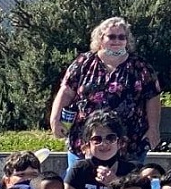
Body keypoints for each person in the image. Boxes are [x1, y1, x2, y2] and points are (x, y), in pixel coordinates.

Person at [51, 16, 161, 164]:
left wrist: (153, 128)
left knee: (126, 185)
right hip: (85, 141)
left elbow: (152, 97)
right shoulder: (83, 62)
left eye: (122, 37)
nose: (117, 41)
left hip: (128, 143)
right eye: (112, 36)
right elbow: (66, 91)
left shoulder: (140, 67)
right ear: (100, 38)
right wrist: (55, 119)